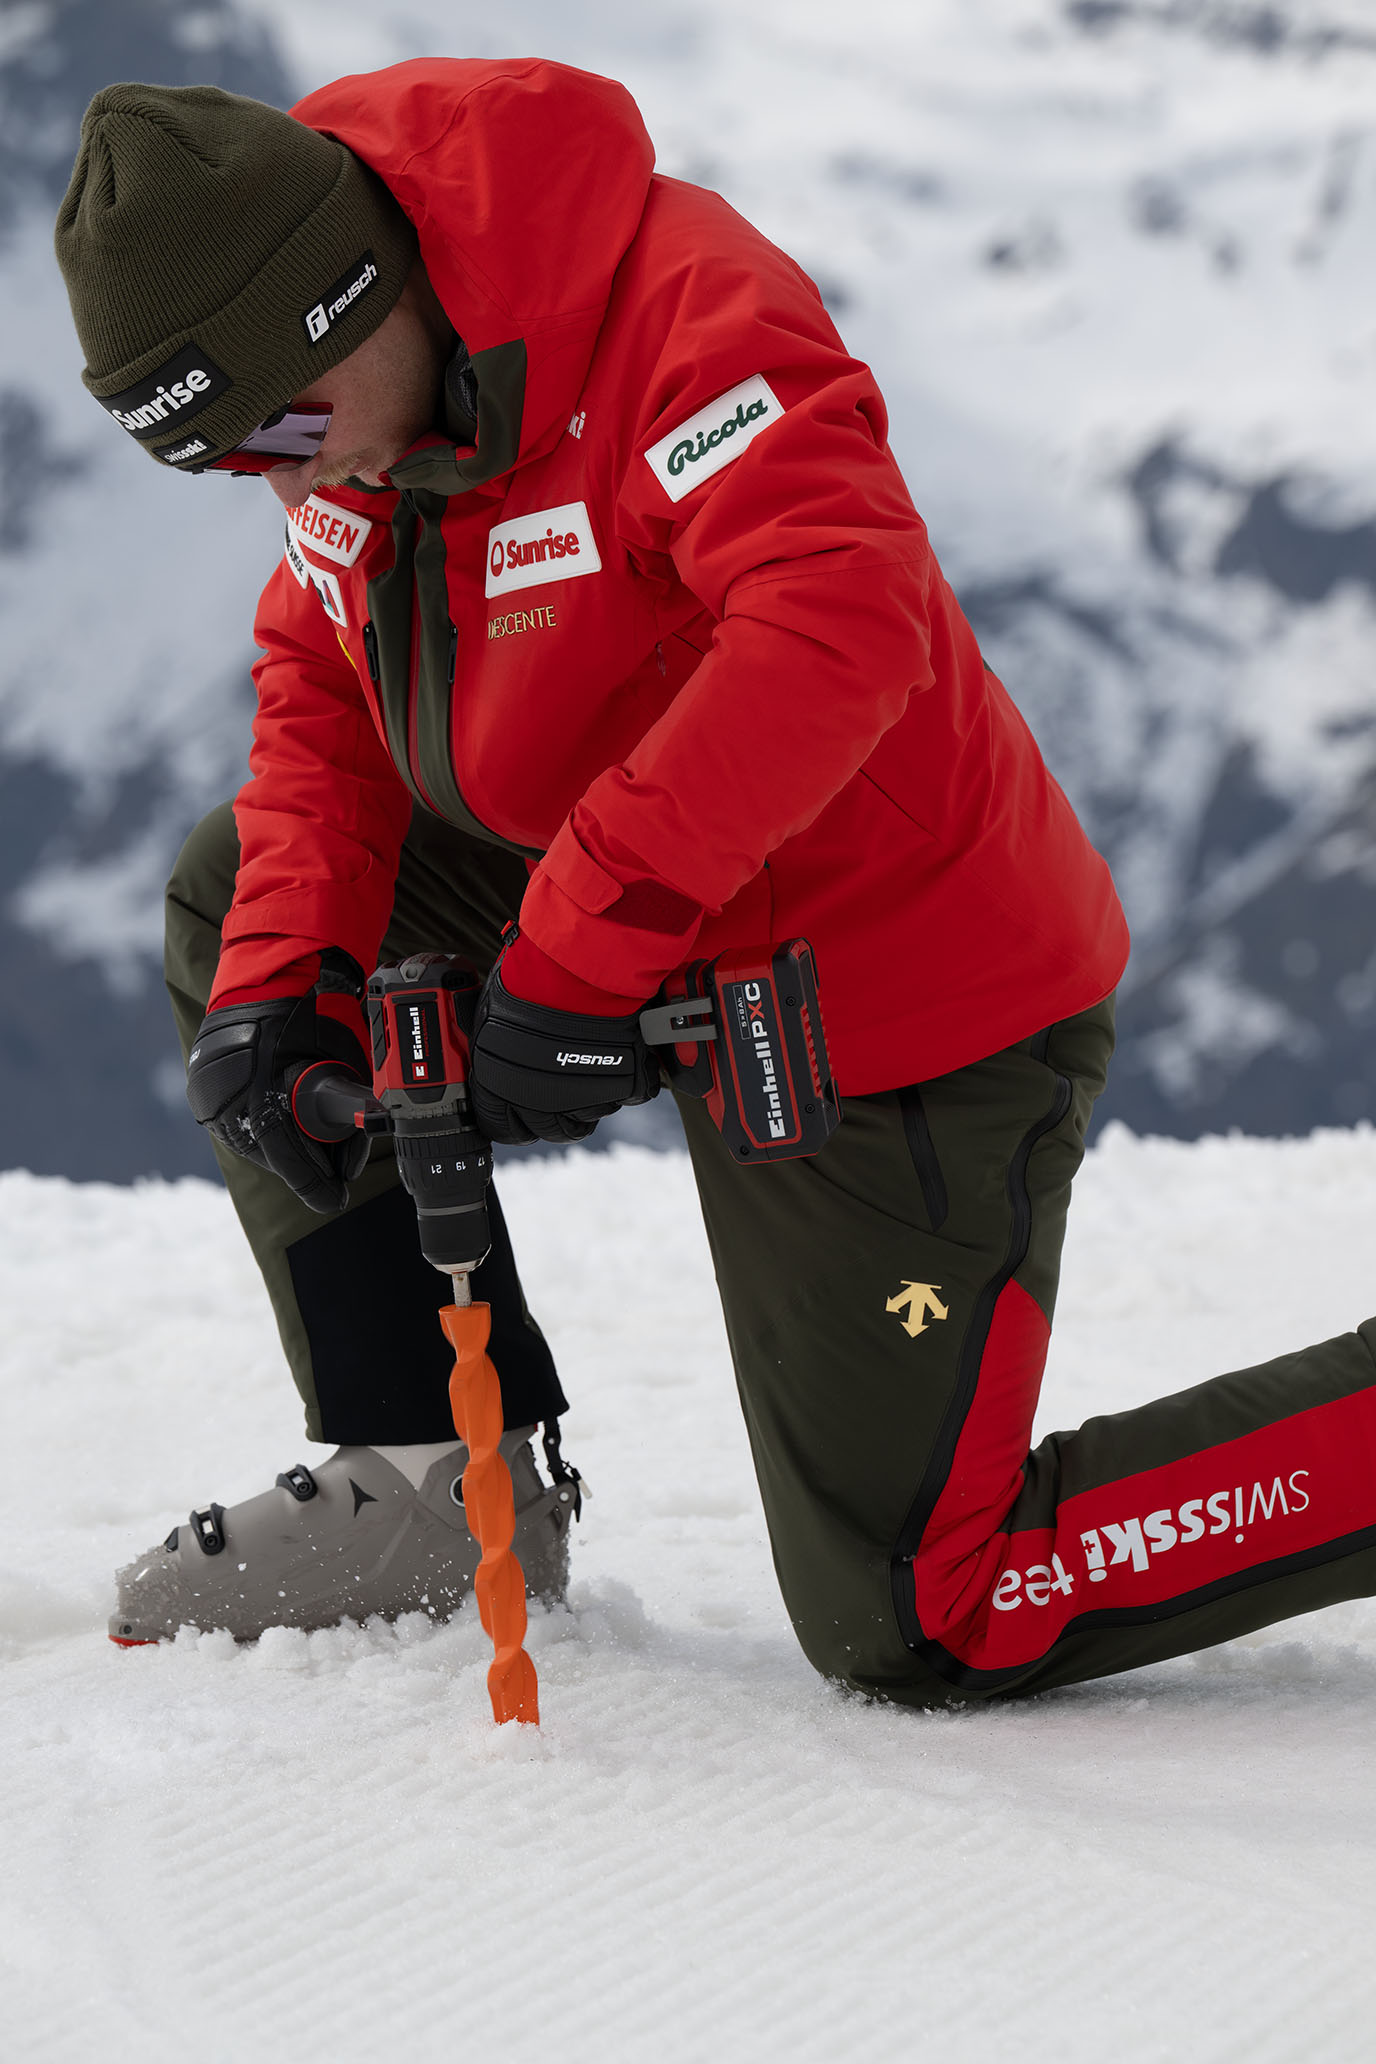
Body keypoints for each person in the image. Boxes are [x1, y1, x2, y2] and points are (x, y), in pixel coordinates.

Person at [54, 59, 1376, 1701]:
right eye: (221, 459)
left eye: (285, 426)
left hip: (888, 981)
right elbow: (324, 686)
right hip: (631, 903)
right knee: (245, 897)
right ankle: (433, 1473)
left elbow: (841, 619)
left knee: (926, 1615)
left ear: (358, 299)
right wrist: (277, 982)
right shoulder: (355, 435)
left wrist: (578, 954)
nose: (276, 477)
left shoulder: (678, 310)